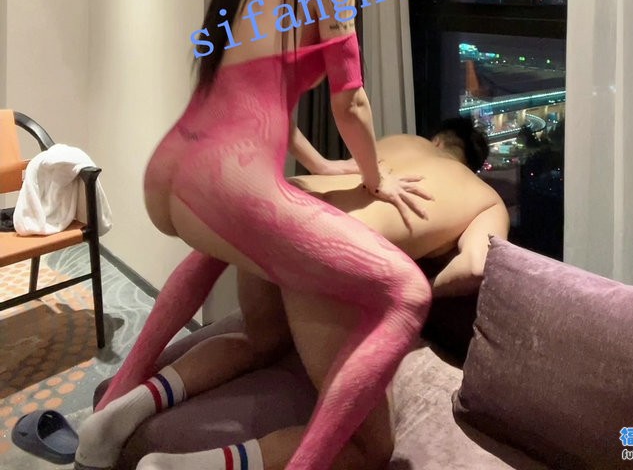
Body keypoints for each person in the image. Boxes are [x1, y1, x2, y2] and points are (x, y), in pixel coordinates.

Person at [74, 0, 433, 470]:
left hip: (172, 169)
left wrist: (317, 161)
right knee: (407, 293)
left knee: (218, 254)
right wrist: (376, 178)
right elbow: (351, 100)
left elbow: (259, 94)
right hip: (228, 179)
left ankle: (111, 410)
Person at [76, 120, 509, 470]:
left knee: (259, 338)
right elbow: (474, 266)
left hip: (276, 205)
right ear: (471, 166)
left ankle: (118, 415)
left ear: (437, 141)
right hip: (329, 243)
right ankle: (181, 466)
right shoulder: (486, 198)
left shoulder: (402, 141)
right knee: (368, 448)